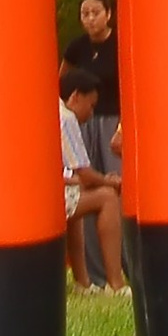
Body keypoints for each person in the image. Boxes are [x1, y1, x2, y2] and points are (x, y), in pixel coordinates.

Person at [60, 70, 125, 289]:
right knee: (107, 198)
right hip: (49, 199)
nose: (91, 113)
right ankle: (116, 283)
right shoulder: (66, 118)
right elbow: (85, 174)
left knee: (76, 203)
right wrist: (110, 181)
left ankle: (82, 281)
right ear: (76, 97)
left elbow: (68, 177)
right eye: (91, 105)